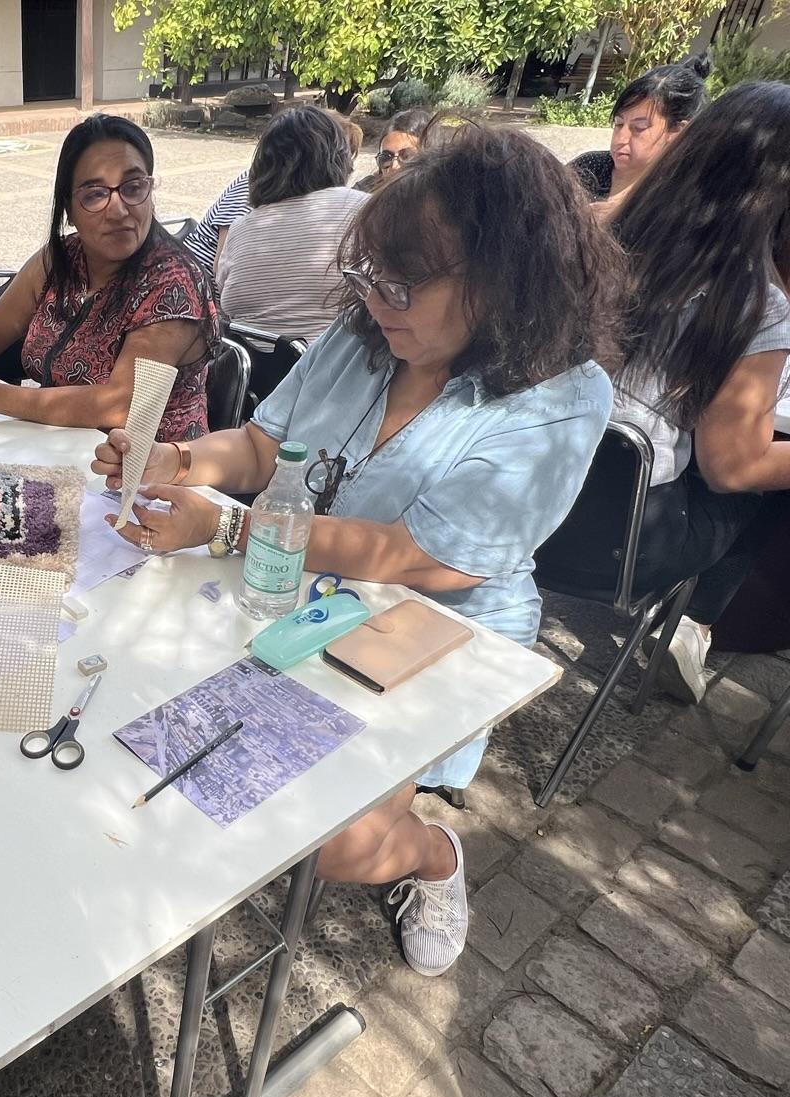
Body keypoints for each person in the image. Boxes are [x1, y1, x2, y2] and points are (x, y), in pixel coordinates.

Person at [94, 127, 622, 976]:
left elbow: (423, 560)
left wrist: (228, 527)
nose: (377, 299)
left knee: (337, 844)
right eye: (367, 273)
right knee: (155, 720)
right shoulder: (366, 331)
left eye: (402, 281)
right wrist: (179, 461)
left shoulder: (560, 395)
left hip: (435, 626)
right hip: (293, 584)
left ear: (501, 281)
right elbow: (266, 449)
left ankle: (433, 854)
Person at [550, 81, 790, 703]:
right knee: (763, 479)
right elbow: (733, 466)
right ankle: (696, 623)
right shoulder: (755, 303)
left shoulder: (593, 229)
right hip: (611, 545)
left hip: (521, 494)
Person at [0, 114, 219, 443]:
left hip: (145, 477)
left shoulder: (174, 282)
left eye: (133, 187)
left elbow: (120, 406)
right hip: (59, 452)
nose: (118, 210)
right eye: (95, 194)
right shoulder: (61, 258)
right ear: (68, 208)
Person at [215, 106, 369, 340]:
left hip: (253, 369)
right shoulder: (365, 210)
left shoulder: (240, 228)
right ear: (337, 159)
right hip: (335, 368)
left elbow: (224, 297)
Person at [183, 109, 364, 275]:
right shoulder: (253, 185)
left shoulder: (305, 203)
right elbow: (221, 264)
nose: (342, 168)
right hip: (198, 287)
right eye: (335, 154)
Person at [568, 55, 709, 220]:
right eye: (619, 124)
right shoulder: (588, 167)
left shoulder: (683, 197)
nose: (621, 139)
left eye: (638, 128)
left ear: (677, 131)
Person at [352, 108, 432, 194]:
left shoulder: (441, 201)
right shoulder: (363, 192)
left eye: (406, 156)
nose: (394, 166)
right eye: (385, 157)